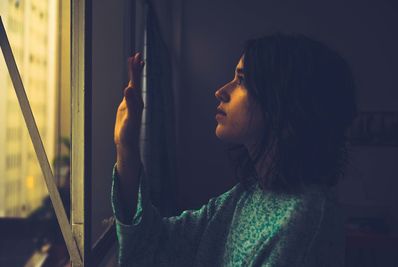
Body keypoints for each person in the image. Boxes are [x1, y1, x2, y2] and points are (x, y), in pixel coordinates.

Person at [111, 33, 356, 266]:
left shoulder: (303, 220)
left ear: (282, 101)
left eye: (241, 80)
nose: (221, 92)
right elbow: (158, 247)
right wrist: (126, 147)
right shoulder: (251, 195)